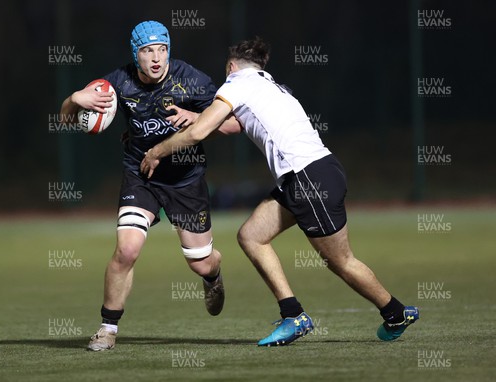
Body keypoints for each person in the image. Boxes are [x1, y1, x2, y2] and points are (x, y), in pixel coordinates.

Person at [141, 37, 419, 346]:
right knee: (251, 236)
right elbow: (234, 124)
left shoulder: (235, 83)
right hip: (311, 175)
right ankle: (293, 314)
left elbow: (198, 134)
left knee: (341, 261)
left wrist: (157, 151)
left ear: (231, 67)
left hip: (307, 178)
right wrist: (197, 116)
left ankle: (395, 312)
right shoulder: (268, 84)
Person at [60, 21, 240, 351]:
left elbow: (234, 125)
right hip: (140, 176)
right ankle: (107, 328)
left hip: (185, 180)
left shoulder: (193, 81)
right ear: (136, 54)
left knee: (200, 261)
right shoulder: (117, 82)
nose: (156, 58)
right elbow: (66, 119)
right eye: (147, 51)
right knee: (127, 249)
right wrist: (75, 99)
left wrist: (197, 118)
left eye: (162, 49)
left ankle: (213, 276)